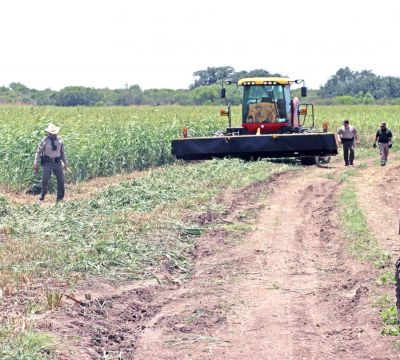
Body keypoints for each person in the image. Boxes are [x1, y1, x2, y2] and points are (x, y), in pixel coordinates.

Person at [33, 123, 68, 202]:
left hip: (57, 163)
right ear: (48, 133)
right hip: (47, 163)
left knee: (61, 180)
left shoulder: (60, 141)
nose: (53, 135)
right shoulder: (44, 141)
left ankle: (60, 198)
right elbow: (38, 152)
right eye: (51, 133)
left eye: (54, 133)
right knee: (45, 180)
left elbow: (62, 153)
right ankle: (42, 195)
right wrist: (35, 164)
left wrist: (65, 162)